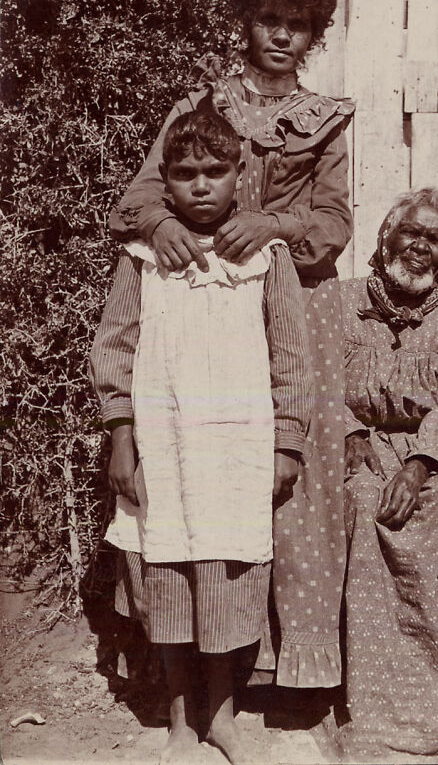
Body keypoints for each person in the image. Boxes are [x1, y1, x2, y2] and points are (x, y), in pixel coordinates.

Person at [108, 0, 354, 690]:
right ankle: (189, 661)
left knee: (292, 481)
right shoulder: (197, 110)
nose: (281, 36)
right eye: (268, 20)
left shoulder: (325, 120)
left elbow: (335, 220)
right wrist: (162, 228)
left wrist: (271, 224)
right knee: (190, 472)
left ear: (315, 35)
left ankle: (286, 666)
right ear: (244, 24)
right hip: (192, 313)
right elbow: (137, 197)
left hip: (289, 305)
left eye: (298, 25)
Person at [90, 109, 313, 763]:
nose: (202, 186)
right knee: (168, 574)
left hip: (236, 452)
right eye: (185, 174)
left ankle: (223, 711)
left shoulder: (266, 258)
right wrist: (122, 436)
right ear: (167, 180)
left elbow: (292, 356)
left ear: (239, 175)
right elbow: (115, 346)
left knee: (224, 575)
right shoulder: (144, 257)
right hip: (165, 447)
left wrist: (287, 442)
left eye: (216, 171)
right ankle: (182, 713)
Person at [323, 189, 438, 762]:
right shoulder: (340, 301)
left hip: (436, 455)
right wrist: (348, 432)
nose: (421, 248)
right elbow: (313, 376)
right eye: (412, 233)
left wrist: (422, 461)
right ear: (386, 240)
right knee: (359, 503)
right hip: (355, 443)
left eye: (435, 240)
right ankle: (379, 710)